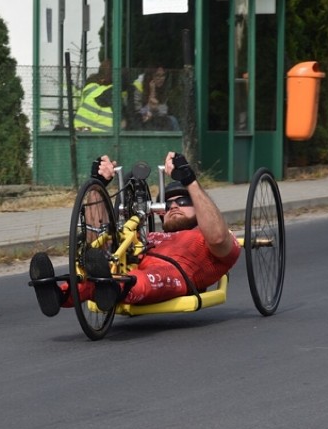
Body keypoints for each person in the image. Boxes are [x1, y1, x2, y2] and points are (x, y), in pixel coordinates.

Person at [30, 152, 240, 316]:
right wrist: (97, 184)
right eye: (167, 203)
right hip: (129, 267)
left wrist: (189, 180)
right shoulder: (148, 238)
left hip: (176, 273)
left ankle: (112, 287)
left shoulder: (207, 239)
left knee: (145, 278)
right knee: (99, 260)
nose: (174, 205)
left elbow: (219, 238)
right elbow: (98, 241)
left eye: (184, 201)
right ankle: (57, 294)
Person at [73, 60, 130, 132]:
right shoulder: (110, 92)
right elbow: (122, 122)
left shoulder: (100, 90)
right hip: (94, 134)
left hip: (80, 131)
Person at [132, 66, 180, 131]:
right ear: (150, 77)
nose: (161, 79)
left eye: (163, 75)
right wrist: (149, 103)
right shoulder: (139, 88)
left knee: (172, 120)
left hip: (157, 119)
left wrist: (155, 108)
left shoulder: (163, 88)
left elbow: (164, 111)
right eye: (157, 75)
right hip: (142, 122)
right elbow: (137, 113)